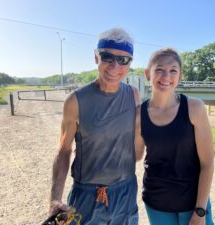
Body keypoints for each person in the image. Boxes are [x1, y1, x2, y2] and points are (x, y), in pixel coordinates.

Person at [49, 28, 140, 225]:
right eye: (107, 57)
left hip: (125, 191)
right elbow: (64, 150)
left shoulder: (133, 95)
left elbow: (139, 148)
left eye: (123, 60)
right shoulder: (75, 101)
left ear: (130, 63)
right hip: (86, 195)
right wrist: (55, 198)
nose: (115, 66)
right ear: (96, 57)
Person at [135, 48, 214, 225]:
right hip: (156, 202)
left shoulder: (194, 108)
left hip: (193, 202)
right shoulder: (138, 114)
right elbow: (136, 154)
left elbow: (207, 164)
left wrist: (200, 210)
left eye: (173, 70)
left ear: (180, 75)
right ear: (148, 74)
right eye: (159, 69)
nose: (166, 76)